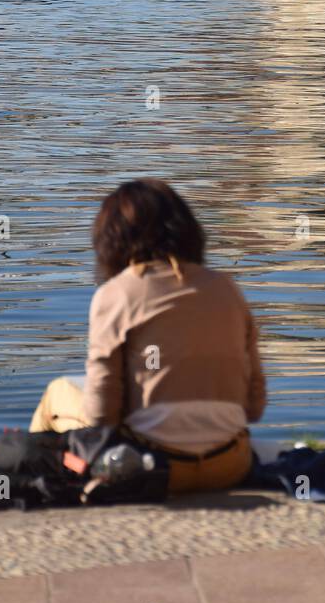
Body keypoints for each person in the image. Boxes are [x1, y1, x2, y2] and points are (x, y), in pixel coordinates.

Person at [29, 178, 266, 494]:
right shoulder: (226, 289)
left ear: (111, 240)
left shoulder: (117, 294)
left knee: (57, 393)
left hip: (154, 468)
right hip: (230, 465)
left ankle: (38, 484)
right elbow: (254, 407)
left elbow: (102, 415)